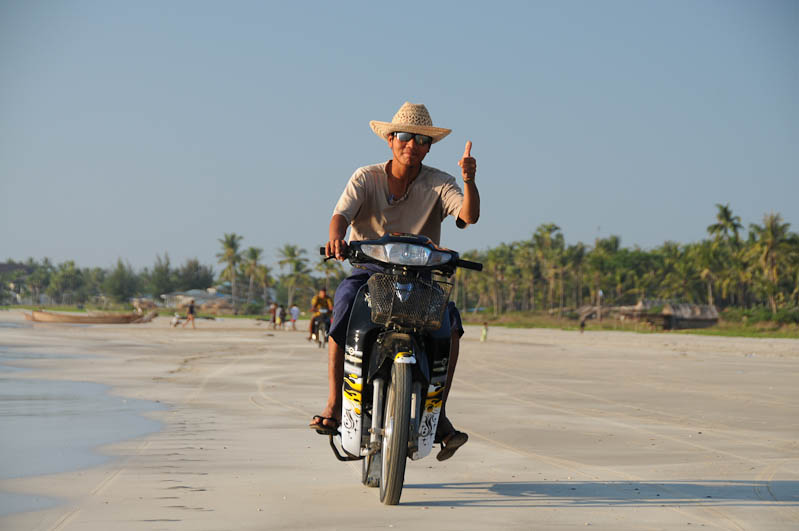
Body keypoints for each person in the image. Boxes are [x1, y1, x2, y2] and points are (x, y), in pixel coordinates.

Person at [309, 102, 480, 462]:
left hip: (421, 276)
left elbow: (468, 215)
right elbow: (340, 216)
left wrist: (468, 180)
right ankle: (335, 402)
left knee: (449, 327)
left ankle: (439, 412)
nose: (412, 144)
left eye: (421, 139)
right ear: (390, 139)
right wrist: (337, 238)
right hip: (371, 272)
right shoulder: (365, 177)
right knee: (343, 306)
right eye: (404, 136)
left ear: (428, 147)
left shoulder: (439, 182)